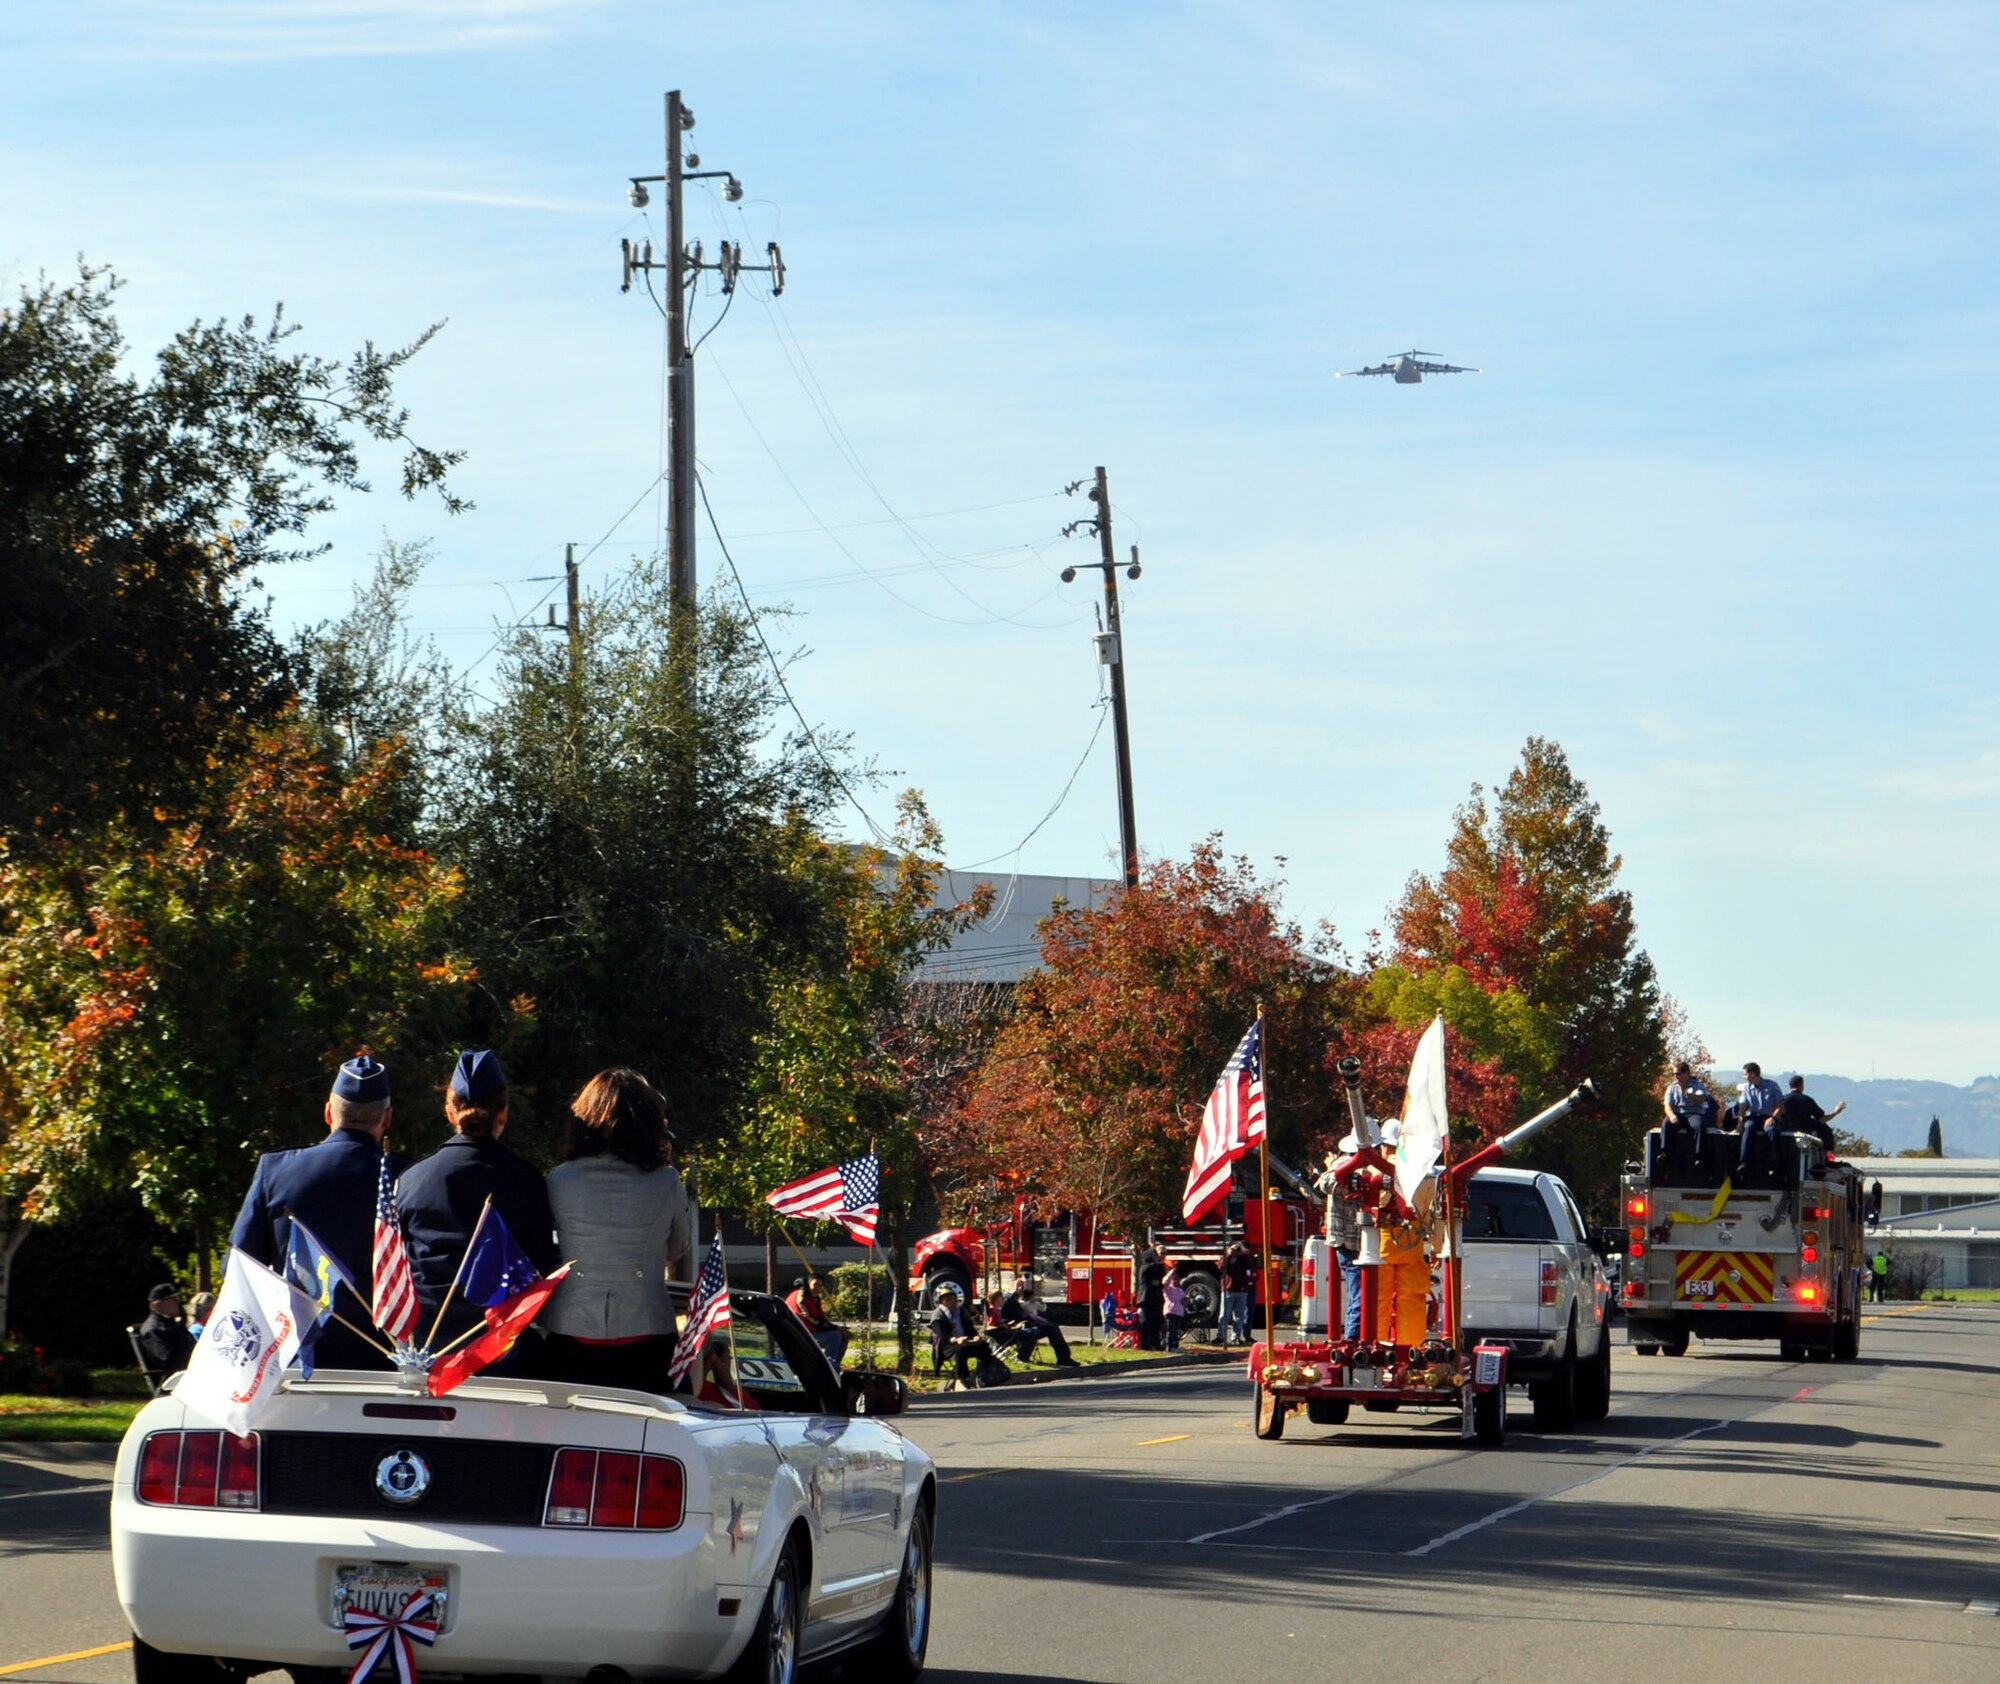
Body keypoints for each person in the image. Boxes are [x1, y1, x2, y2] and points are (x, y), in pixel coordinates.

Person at [229, 1054, 404, 1370]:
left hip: (295, 1361)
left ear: (328, 1112)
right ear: (387, 1118)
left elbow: (240, 1265)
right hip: (384, 1363)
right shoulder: (406, 1179)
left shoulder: (276, 1171)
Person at [397, 1050, 558, 1360]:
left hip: (426, 1349)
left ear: (449, 1113)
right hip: (503, 1350)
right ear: (504, 1114)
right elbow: (540, 1270)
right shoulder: (527, 1181)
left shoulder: (412, 1180)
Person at [541, 1068, 691, 1393]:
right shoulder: (667, 1181)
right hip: (646, 1332)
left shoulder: (560, 1179)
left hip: (571, 1331)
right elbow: (677, 1249)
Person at [1324, 1156, 1365, 1342]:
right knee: (1360, 1297)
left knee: (1358, 1296)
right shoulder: (1340, 1169)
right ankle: (1352, 1340)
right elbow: (1328, 1183)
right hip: (1350, 1244)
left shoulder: (1342, 1168)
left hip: (1356, 1243)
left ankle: (1353, 1338)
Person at [998, 1275, 1078, 1367]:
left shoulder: (1015, 1302)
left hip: (1024, 1326)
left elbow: (1023, 1316)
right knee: (1034, 1331)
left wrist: (1037, 1320)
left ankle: (1064, 1358)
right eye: (1018, 1286)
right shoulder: (1006, 1299)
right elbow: (1004, 1313)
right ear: (1011, 1287)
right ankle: (1022, 1358)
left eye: (1022, 1287)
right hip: (1011, 1330)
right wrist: (1014, 1293)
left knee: (1052, 1327)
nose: (1021, 1289)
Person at [927, 1282, 994, 1388]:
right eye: (947, 1299)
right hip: (948, 1345)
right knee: (961, 1350)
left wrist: (976, 1337)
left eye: (952, 1298)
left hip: (966, 1341)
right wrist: (955, 1339)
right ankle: (961, 1378)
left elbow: (970, 1329)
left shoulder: (962, 1312)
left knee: (983, 1345)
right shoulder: (938, 1314)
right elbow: (942, 1333)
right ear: (941, 1301)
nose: (950, 1301)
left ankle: (986, 1372)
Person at [785, 1275, 849, 1369]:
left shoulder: (813, 1298)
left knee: (843, 1336)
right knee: (835, 1336)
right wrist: (836, 1328)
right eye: (815, 1285)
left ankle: (834, 1367)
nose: (817, 1288)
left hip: (810, 1331)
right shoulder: (801, 1297)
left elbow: (820, 1318)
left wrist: (837, 1328)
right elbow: (810, 1319)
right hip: (799, 1334)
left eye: (820, 1286)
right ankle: (827, 1367)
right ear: (808, 1284)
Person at [1769, 1075, 1845, 1152]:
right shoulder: (1807, 1100)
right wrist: (1835, 1112)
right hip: (1802, 1135)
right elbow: (1821, 1119)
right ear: (1802, 1085)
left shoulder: (1782, 1100)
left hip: (1783, 1136)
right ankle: (1826, 1155)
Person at [135, 1284, 196, 1379]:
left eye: (178, 1298)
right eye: (173, 1299)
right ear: (157, 1304)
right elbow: (167, 1360)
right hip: (176, 1379)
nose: (178, 1302)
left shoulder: (173, 1324)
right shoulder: (153, 1329)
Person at [694, 1341, 759, 1410]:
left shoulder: (687, 1391)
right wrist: (727, 1382)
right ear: (713, 1359)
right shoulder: (729, 1397)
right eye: (729, 1358)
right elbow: (755, 1412)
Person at [1219, 1242, 1255, 1347]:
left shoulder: (1244, 1259)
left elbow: (1250, 1267)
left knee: (1239, 1316)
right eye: (1233, 1248)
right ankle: (1220, 1336)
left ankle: (1236, 1337)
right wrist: (1228, 1255)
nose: (1236, 1250)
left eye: (1237, 1248)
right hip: (1228, 1289)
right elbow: (1221, 1267)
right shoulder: (1226, 1259)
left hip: (1241, 1290)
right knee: (1224, 1314)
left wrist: (1244, 1253)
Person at [1136, 1254, 1167, 1351]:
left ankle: (1156, 1344)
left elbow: (1162, 1274)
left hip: (1155, 1300)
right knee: (1145, 1323)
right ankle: (1145, 1344)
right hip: (1145, 1300)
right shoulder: (1144, 1268)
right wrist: (1161, 1262)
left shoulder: (1155, 1272)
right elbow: (1155, 1268)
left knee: (1156, 1323)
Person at [1162, 1267, 1186, 1351]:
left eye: (1177, 1279)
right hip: (1170, 1311)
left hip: (1179, 1312)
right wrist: (1171, 1273)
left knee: (1176, 1331)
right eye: (1174, 1279)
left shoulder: (1180, 1290)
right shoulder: (1169, 1289)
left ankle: (1175, 1346)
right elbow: (1165, 1282)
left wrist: (1185, 1302)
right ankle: (1169, 1346)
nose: (1176, 1281)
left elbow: (1183, 1301)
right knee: (1170, 1330)